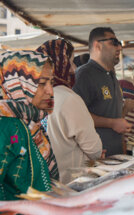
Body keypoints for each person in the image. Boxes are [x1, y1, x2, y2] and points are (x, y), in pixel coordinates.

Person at [37, 39, 103, 184]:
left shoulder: (31, 95)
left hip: (42, 182)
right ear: (60, 64)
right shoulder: (68, 98)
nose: (73, 69)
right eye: (71, 62)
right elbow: (94, 149)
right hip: (72, 184)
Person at [0, 50, 57, 200]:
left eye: (51, 82)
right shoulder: (6, 125)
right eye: (41, 83)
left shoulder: (30, 121)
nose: (50, 91)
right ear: (16, 84)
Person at [73, 27, 132, 156]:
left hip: (115, 155)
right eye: (114, 42)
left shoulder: (111, 74)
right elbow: (76, 117)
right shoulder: (84, 75)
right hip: (96, 157)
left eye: (119, 43)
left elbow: (114, 116)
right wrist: (112, 123)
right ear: (97, 45)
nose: (119, 48)